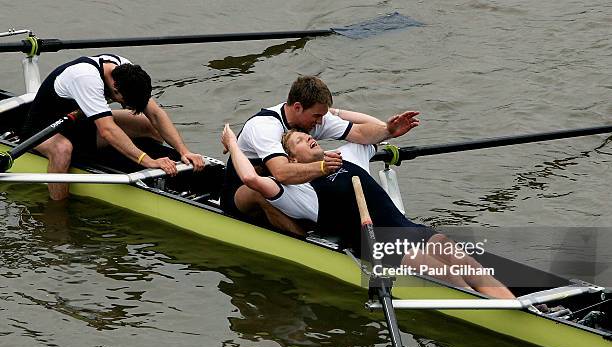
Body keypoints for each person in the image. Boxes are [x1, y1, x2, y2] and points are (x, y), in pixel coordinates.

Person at [222, 124, 515, 299]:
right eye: (298, 140)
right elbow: (251, 179)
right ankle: (490, 311)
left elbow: (367, 129)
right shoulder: (297, 192)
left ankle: (512, 305)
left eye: (307, 134)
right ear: (291, 158)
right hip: (381, 247)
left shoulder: (346, 155)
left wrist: (380, 126)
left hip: (411, 229)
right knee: (447, 274)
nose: (308, 138)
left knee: (460, 257)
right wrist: (234, 143)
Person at [220, 75, 420, 233]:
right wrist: (323, 165)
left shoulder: (312, 118)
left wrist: (387, 131)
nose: (320, 122)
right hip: (241, 193)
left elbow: (360, 133)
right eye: (316, 116)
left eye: (324, 115)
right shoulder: (264, 126)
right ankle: (301, 241)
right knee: (259, 191)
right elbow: (280, 173)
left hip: (285, 189)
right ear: (297, 107)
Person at [19, 53, 205, 200]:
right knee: (62, 150)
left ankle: (145, 173)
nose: (125, 107)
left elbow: (156, 114)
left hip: (83, 123)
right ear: (115, 89)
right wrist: (148, 161)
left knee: (149, 125)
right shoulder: (85, 77)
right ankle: (57, 212)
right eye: (125, 103)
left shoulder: (125, 70)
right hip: (43, 128)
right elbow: (107, 131)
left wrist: (184, 151)